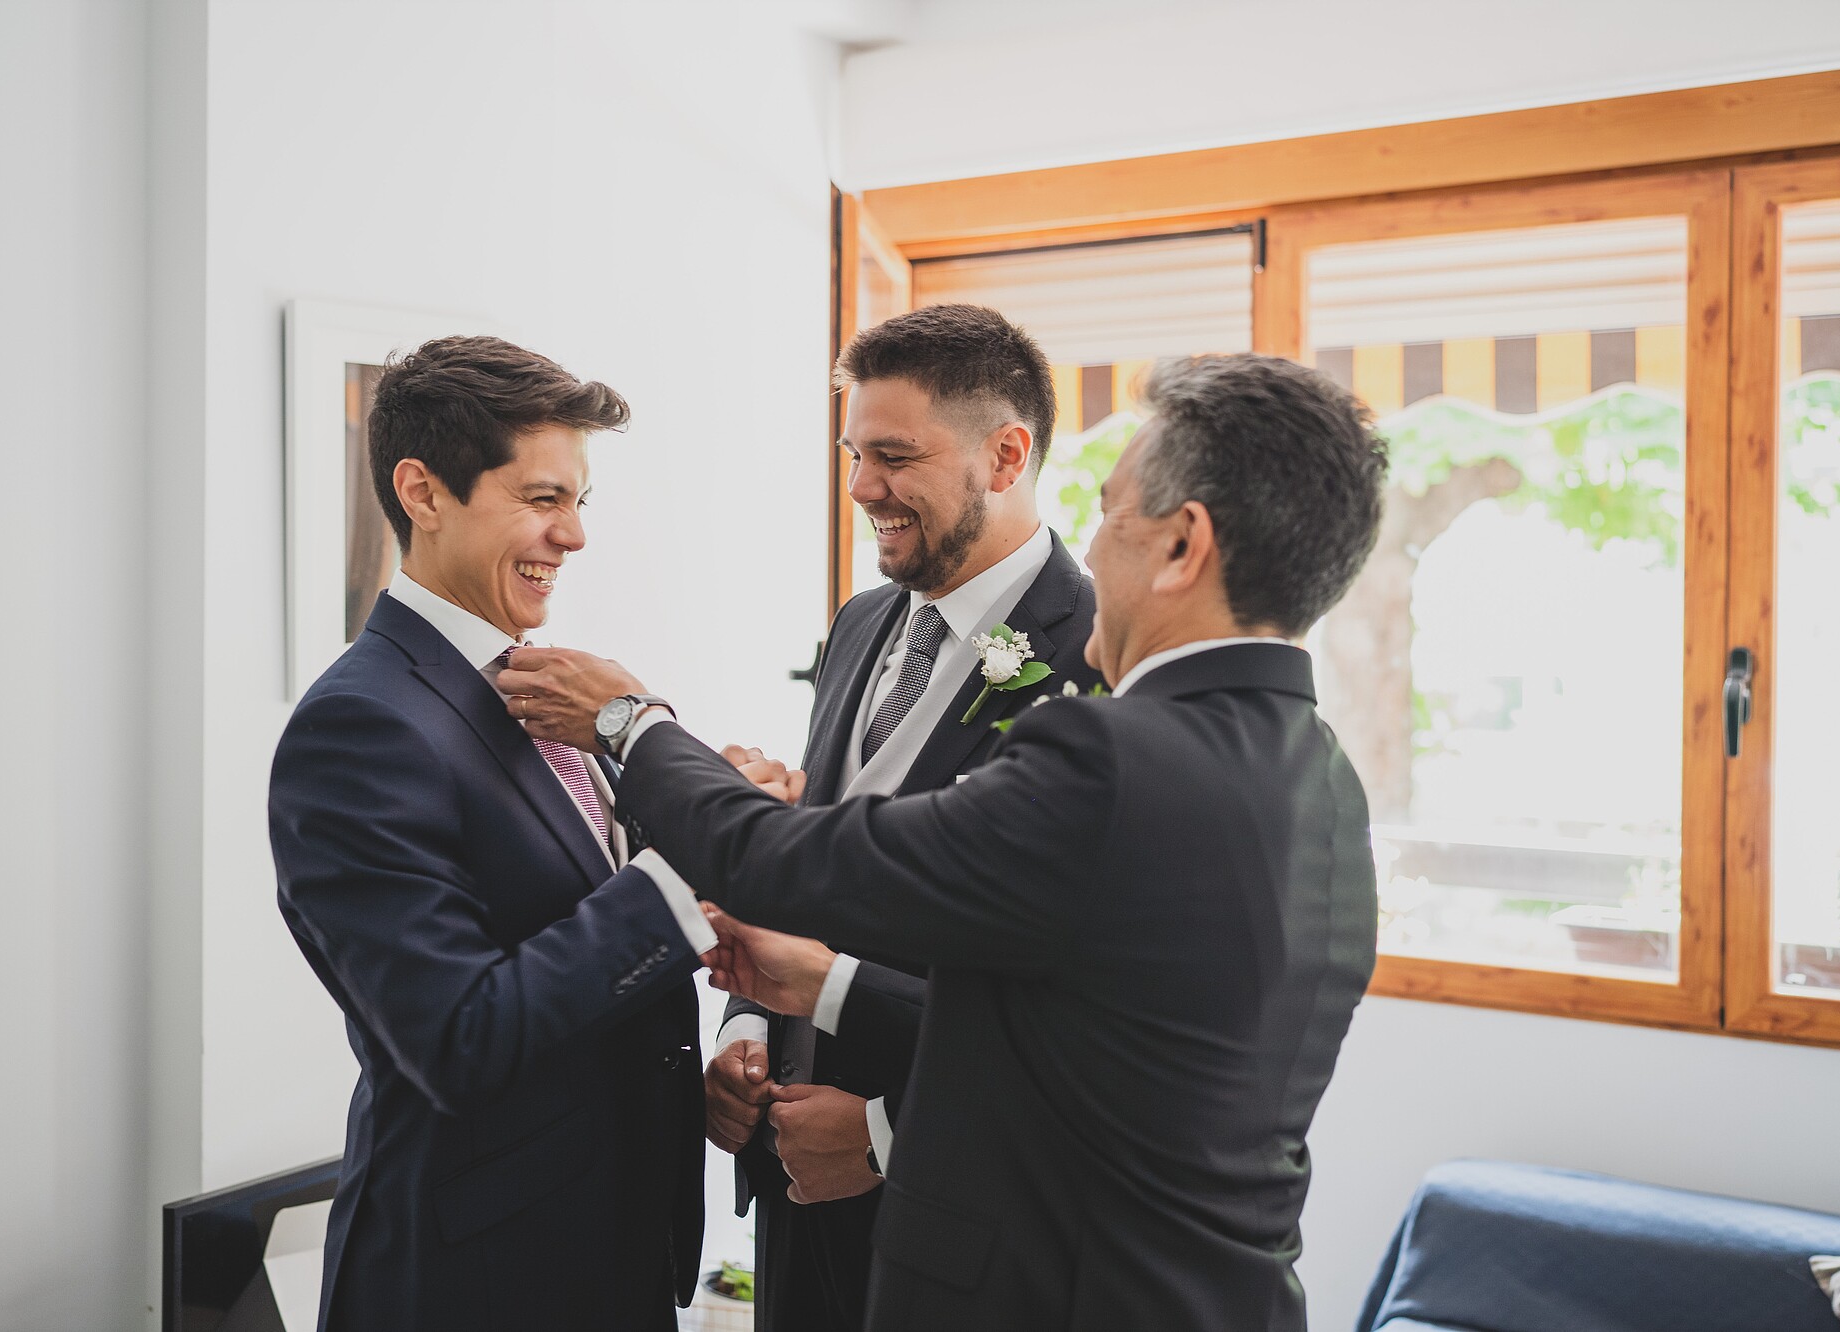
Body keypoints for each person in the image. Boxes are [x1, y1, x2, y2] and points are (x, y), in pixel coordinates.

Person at [499, 351, 1390, 1332]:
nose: (1092, 551)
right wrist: (803, 991)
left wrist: (631, 723)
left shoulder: (1110, 755)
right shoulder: (1323, 776)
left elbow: (793, 863)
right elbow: (1081, 1043)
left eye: (1110, 514)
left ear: (1183, 546)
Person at [268, 336, 717, 1332]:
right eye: (541, 498)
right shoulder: (362, 726)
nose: (574, 536)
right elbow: (458, 1036)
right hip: (473, 1279)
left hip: (610, 1248)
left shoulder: (547, 689)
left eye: (578, 502)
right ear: (422, 493)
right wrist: (677, 884)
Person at [701, 304, 1102, 1332]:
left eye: (891, 455)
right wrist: (749, 1023)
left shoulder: (1096, 657)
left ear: (1004, 455)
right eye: (851, 453)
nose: (859, 488)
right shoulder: (860, 621)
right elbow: (811, 866)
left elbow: (1069, 997)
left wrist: (881, 1129)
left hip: (958, 1213)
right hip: (790, 1177)